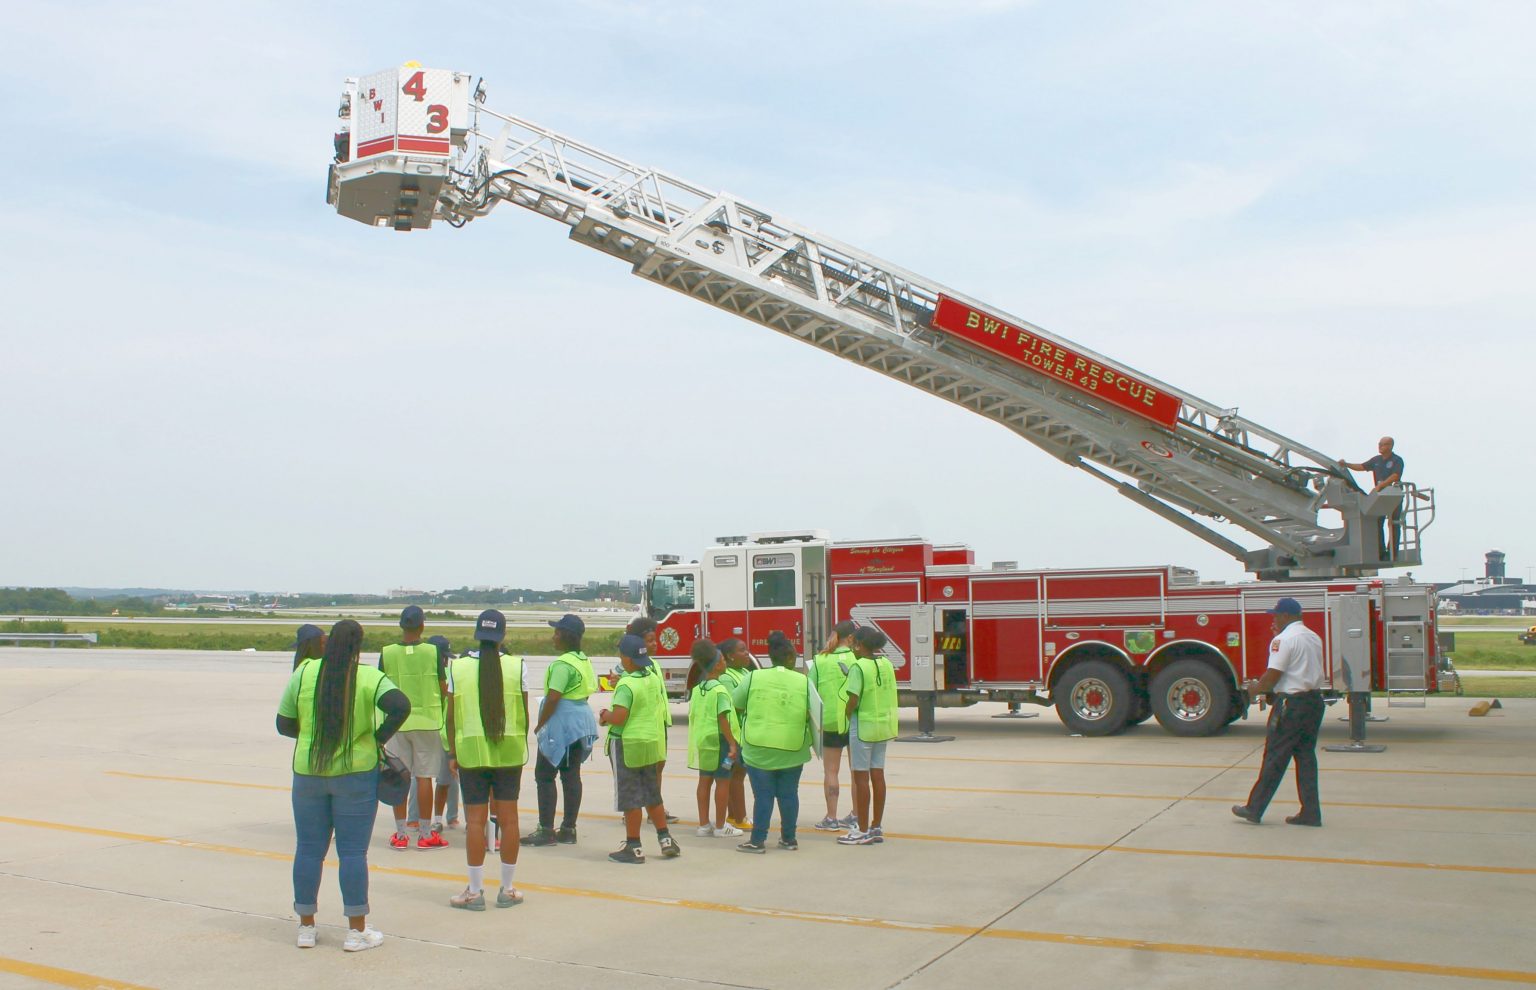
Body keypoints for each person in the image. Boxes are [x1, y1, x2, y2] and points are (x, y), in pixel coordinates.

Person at [276, 618, 409, 952]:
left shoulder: (304, 673)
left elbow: (283, 723)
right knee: (352, 852)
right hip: (355, 773)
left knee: (308, 848)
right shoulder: (368, 677)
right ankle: (355, 931)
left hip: (309, 771)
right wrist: (376, 739)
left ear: (328, 642)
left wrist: (311, 736)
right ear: (358, 646)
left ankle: (306, 927)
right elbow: (400, 706)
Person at [446, 610, 528, 909]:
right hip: (508, 750)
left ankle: (475, 891)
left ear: (477, 634)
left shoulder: (457, 668)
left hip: (471, 752)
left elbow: (451, 716)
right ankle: (507, 889)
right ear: (503, 635)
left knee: (475, 822)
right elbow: (523, 710)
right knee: (510, 820)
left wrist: (452, 752)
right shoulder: (518, 666)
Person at [1232, 597, 1326, 827]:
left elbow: (1273, 675)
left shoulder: (1283, 640)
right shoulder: (1313, 637)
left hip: (1291, 705)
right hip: (1313, 702)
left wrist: (1255, 689)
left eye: (1275, 615)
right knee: (1305, 758)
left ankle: (1254, 808)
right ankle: (1311, 812)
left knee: (1275, 756)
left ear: (1286, 616)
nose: (1273, 619)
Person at [598, 634, 681, 863]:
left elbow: (621, 717)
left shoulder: (627, 683)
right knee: (652, 793)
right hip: (651, 741)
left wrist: (606, 716)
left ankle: (633, 846)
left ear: (627, 659)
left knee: (630, 797)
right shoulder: (652, 677)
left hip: (628, 744)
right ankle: (665, 839)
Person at [731, 631, 816, 854]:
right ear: (790, 658)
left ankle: (758, 841)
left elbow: (736, 705)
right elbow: (813, 714)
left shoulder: (752, 677)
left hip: (758, 748)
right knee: (789, 794)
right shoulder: (803, 681)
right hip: (792, 748)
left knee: (763, 796)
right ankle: (789, 839)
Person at [523, 613, 598, 847]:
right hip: (581, 723)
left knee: (544, 776)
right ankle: (568, 828)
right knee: (571, 774)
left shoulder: (562, 665)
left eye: (556, 633)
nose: (553, 637)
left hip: (563, 726)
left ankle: (546, 829)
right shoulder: (583, 661)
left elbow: (554, 697)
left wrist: (540, 723)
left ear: (566, 636)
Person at [380, 605, 450, 850]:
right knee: (424, 778)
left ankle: (400, 834)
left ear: (401, 626)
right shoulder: (432, 652)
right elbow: (443, 686)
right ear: (422, 626)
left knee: (399, 777)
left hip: (397, 723)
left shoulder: (387, 653)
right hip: (428, 722)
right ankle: (424, 832)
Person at [839, 626, 898, 847]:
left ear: (860, 645)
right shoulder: (886, 664)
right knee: (878, 775)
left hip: (862, 727)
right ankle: (875, 825)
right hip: (883, 726)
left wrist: (845, 714)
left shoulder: (858, 667)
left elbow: (853, 700)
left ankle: (861, 830)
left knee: (860, 777)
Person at [686, 639, 741, 837]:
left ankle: (703, 825)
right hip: (721, 743)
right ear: (717, 664)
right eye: (724, 660)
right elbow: (723, 719)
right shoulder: (720, 690)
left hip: (704, 741)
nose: (726, 662)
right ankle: (720, 826)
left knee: (704, 781)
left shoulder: (699, 689)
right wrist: (733, 744)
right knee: (723, 781)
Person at [626, 616, 677, 823]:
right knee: (642, 770)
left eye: (655, 640)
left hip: (658, 724)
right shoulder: (630, 667)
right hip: (643, 727)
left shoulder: (653, 664)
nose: (655, 644)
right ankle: (635, 808)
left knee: (658, 766)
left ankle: (654, 805)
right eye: (650, 640)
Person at [808, 621, 858, 831]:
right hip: (855, 720)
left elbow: (811, 692)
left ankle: (831, 817)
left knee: (831, 771)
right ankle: (856, 814)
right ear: (851, 639)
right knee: (857, 771)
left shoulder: (820, 661)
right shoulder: (858, 659)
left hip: (829, 721)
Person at [1340, 436, 1406, 558]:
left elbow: (1395, 476)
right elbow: (1361, 467)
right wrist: (1346, 464)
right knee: (1378, 522)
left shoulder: (1397, 460)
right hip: (1379, 496)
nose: (1380, 446)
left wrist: (1382, 485)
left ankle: (1392, 552)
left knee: (1394, 523)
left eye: (1383, 444)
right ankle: (1381, 552)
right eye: (1379, 444)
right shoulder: (1376, 460)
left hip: (1392, 494)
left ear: (1390, 446)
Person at [717, 638, 756, 828]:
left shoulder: (743, 672)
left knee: (737, 774)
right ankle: (740, 817)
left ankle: (733, 816)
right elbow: (732, 706)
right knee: (736, 775)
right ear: (730, 656)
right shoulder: (726, 677)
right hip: (734, 734)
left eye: (746, 648)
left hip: (744, 732)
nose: (747, 653)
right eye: (742, 650)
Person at [424, 635, 460, 829]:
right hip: (444, 733)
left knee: (437, 779)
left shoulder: (428, 673)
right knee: (447, 779)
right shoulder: (446, 675)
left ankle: (431, 819)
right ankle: (449, 817)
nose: (445, 660)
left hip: (435, 729)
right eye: (443, 656)